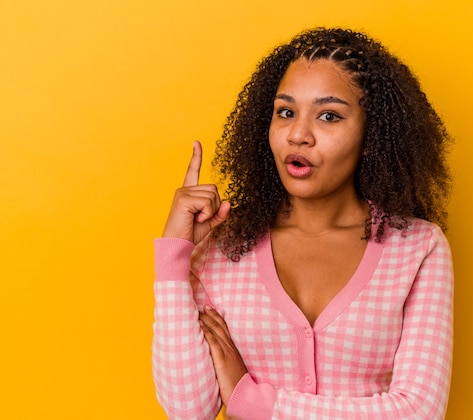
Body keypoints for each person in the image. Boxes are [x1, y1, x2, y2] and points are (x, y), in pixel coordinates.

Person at [153, 27, 454, 419]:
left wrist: (253, 402)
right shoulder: (223, 248)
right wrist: (174, 257)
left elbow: (417, 412)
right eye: (286, 112)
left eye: (328, 116)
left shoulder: (417, 247)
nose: (298, 134)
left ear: (372, 135)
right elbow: (188, 409)